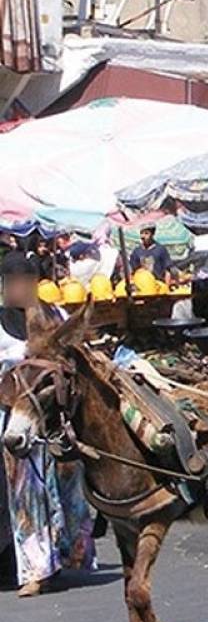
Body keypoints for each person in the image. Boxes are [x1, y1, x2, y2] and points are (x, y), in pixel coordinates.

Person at [0, 252, 96, 597]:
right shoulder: (1, 322)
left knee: (68, 485)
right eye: (13, 283)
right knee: (27, 493)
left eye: (25, 282)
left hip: (56, 412)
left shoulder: (58, 316)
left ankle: (68, 554)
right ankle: (34, 570)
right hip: (18, 412)